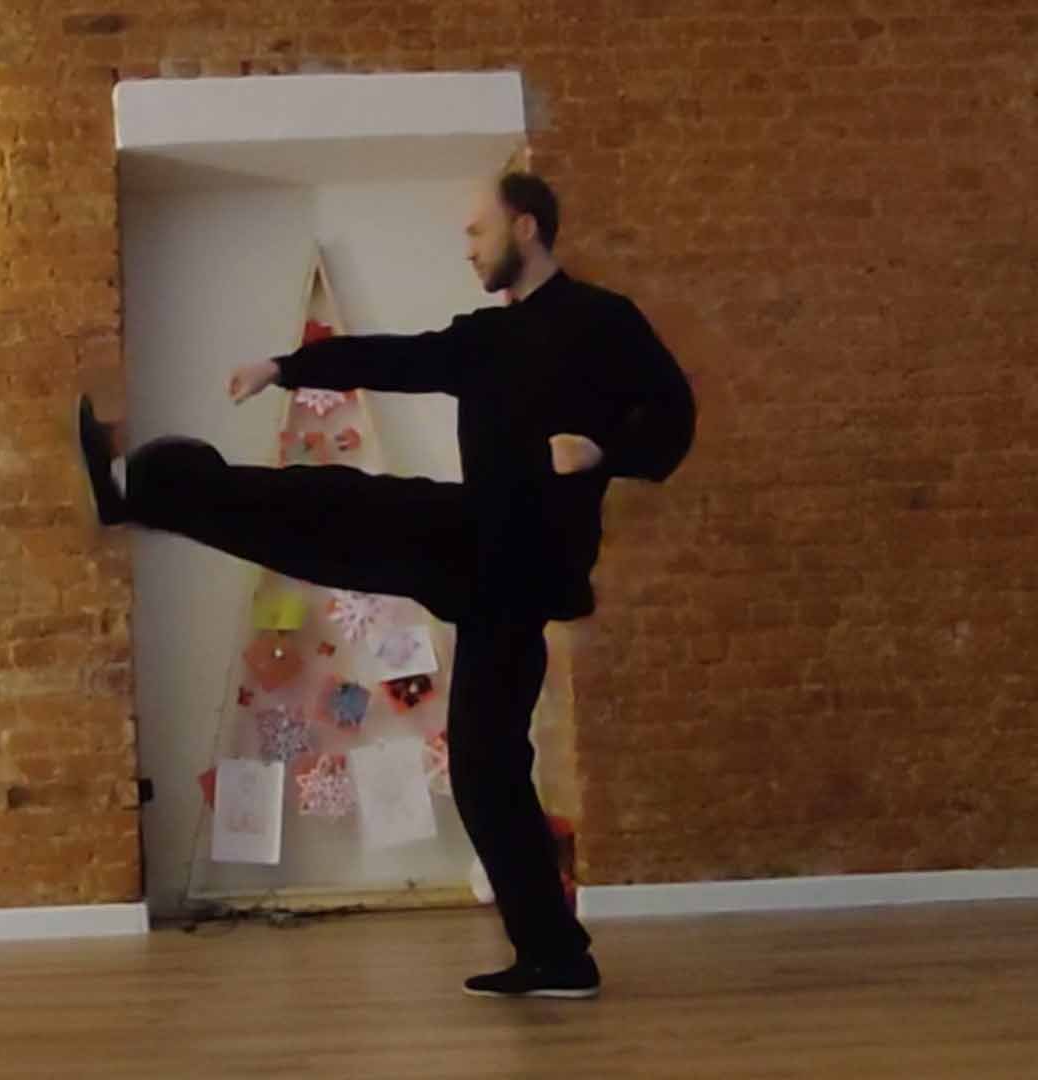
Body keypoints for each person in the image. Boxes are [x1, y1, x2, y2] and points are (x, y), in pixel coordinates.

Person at [69, 171, 695, 999]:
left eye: (477, 232)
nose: (468, 248)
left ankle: (150, 494)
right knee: (482, 764)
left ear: (527, 227)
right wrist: (284, 366)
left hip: (522, 560)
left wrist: (604, 452)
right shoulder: (488, 338)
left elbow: (674, 416)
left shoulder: (602, 322)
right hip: (480, 551)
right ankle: (557, 956)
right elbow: (394, 358)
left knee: (343, 518)